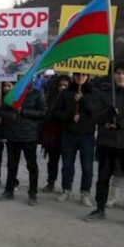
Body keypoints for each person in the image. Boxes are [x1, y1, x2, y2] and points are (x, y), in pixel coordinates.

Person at [84, 62, 124, 230]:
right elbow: (94, 116)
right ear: (114, 75)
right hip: (107, 142)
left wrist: (121, 123)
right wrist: (107, 114)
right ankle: (99, 209)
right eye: (118, 73)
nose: (121, 76)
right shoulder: (104, 93)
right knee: (103, 179)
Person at [0, 79, 47, 206]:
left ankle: (32, 193)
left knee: (31, 165)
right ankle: (9, 191)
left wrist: (23, 111)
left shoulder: (37, 94)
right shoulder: (13, 93)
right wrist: (11, 116)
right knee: (12, 165)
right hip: (13, 134)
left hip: (29, 135)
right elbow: (2, 110)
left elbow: (43, 112)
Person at [53, 73, 98, 206]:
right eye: (78, 75)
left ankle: (85, 192)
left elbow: (96, 113)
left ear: (88, 76)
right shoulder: (66, 93)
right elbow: (56, 112)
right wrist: (69, 116)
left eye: (84, 75)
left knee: (87, 166)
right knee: (67, 165)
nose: (80, 77)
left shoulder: (94, 92)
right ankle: (66, 190)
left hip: (87, 135)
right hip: (69, 134)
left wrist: (83, 100)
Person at [39, 75, 70, 192]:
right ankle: (50, 182)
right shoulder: (51, 97)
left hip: (67, 134)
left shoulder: (72, 97)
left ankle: (65, 187)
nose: (62, 87)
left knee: (67, 162)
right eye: (60, 85)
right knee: (52, 161)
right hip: (53, 134)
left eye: (65, 85)